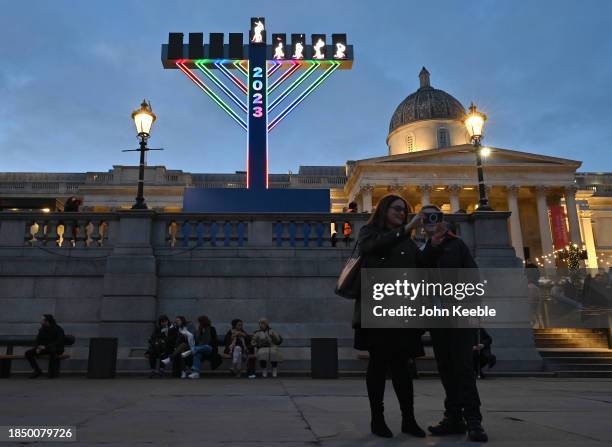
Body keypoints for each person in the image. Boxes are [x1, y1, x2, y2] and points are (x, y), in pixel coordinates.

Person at [355, 194, 444, 439]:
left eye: (404, 211)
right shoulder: (370, 231)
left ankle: (408, 419)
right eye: (397, 209)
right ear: (384, 210)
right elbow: (371, 247)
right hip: (379, 307)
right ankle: (378, 419)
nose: (402, 213)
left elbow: (422, 264)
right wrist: (408, 228)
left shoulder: (407, 241)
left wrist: (434, 245)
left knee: (403, 367)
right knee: (378, 364)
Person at [421, 204, 489, 443]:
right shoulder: (423, 248)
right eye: (425, 217)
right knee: (446, 368)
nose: (430, 220)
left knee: (463, 368)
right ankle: (453, 418)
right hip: (436, 317)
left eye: (435, 216)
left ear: (442, 219)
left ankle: (474, 420)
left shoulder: (457, 245)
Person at [25, 314, 65, 379]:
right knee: (28, 353)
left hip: (57, 348)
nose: (40, 321)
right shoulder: (42, 329)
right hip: (44, 349)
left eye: (42, 320)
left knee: (52, 351)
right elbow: (37, 340)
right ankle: (37, 370)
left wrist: (46, 347)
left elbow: (59, 341)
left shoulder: (58, 329)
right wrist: (37, 347)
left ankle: (52, 373)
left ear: (47, 321)